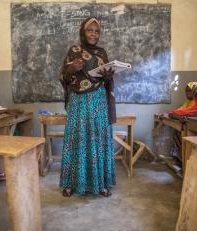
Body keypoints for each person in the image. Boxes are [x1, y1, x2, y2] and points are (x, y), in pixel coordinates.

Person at [59, 17, 116, 197]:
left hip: (98, 101)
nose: (93, 34)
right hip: (78, 102)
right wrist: (71, 69)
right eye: (89, 30)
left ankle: (101, 184)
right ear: (83, 32)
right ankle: (70, 184)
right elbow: (64, 78)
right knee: (76, 140)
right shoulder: (74, 51)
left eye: (96, 31)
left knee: (98, 140)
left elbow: (108, 81)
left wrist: (108, 78)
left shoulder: (102, 52)